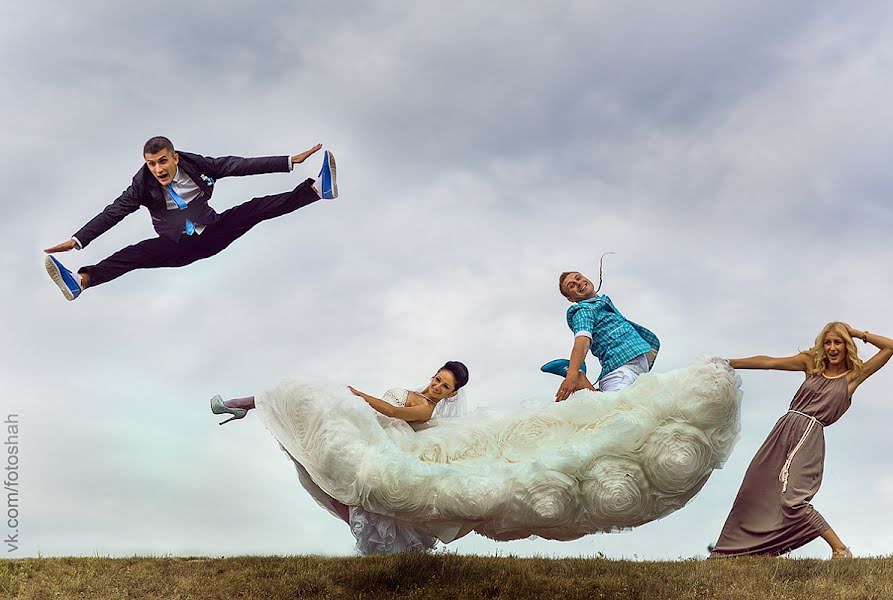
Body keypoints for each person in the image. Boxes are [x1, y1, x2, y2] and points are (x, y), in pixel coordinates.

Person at [210, 361, 471, 555]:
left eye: (445, 386)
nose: (437, 386)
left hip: (375, 436)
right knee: (304, 395)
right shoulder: (419, 393)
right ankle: (239, 404)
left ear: (452, 394)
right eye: (437, 379)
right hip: (365, 423)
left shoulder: (425, 409)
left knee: (324, 465)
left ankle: (358, 524)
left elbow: (391, 411)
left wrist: (359, 396)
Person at [43, 136, 337, 300]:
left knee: (254, 209)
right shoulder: (141, 186)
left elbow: (238, 165)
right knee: (133, 254)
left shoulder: (198, 165)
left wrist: (288, 161)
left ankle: (316, 190)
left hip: (212, 233)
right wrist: (78, 240)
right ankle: (80, 282)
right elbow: (113, 212)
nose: (158, 170)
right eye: (151, 163)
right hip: (177, 245)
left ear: (174, 158)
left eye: (162, 162)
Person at [711, 322, 893, 558]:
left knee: (793, 500)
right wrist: (728, 363)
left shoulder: (853, 377)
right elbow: (768, 363)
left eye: (838, 342)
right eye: (828, 342)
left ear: (847, 345)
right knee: (754, 488)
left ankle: (840, 549)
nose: (832, 347)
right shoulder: (811, 364)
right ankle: (732, 551)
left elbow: (889, 348)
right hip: (783, 430)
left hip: (809, 436)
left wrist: (858, 333)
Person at [547, 269, 660, 401]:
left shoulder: (602, 305)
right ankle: (578, 377)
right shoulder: (583, 311)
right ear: (571, 298)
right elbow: (583, 340)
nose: (578, 283)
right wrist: (571, 375)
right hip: (620, 371)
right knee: (615, 412)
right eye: (571, 285)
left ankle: (583, 382)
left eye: (578, 278)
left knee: (619, 411)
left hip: (634, 369)